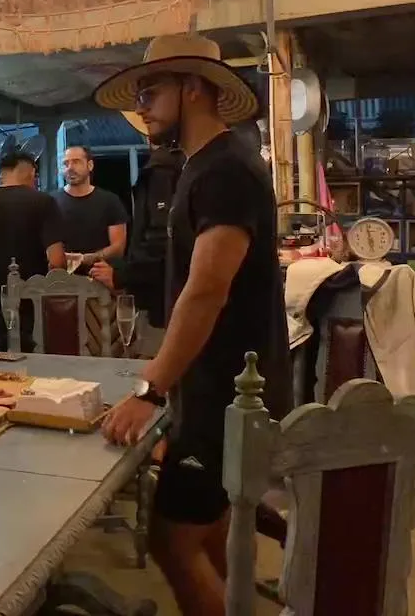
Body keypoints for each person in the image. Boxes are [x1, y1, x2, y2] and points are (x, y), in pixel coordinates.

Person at [92, 33, 290, 616]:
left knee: (171, 540)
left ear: (194, 89)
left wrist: (151, 389)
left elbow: (206, 289)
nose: (142, 107)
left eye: (151, 92)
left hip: (227, 393)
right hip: (223, 388)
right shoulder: (205, 166)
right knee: (208, 532)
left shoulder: (224, 171)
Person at [0, 151, 67, 351]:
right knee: (40, 369)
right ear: (30, 172)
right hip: (36, 316)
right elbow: (57, 261)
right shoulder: (44, 202)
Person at [89, 133, 184, 358]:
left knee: (153, 368)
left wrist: (122, 275)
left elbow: (161, 240)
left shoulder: (162, 171)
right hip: (176, 297)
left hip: (160, 301)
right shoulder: (186, 166)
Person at [54, 145, 129, 274]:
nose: (70, 168)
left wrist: (87, 259)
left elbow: (118, 248)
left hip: (98, 277)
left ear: (90, 165)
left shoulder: (110, 201)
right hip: (60, 279)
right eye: (65, 164)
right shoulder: (51, 202)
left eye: (76, 162)